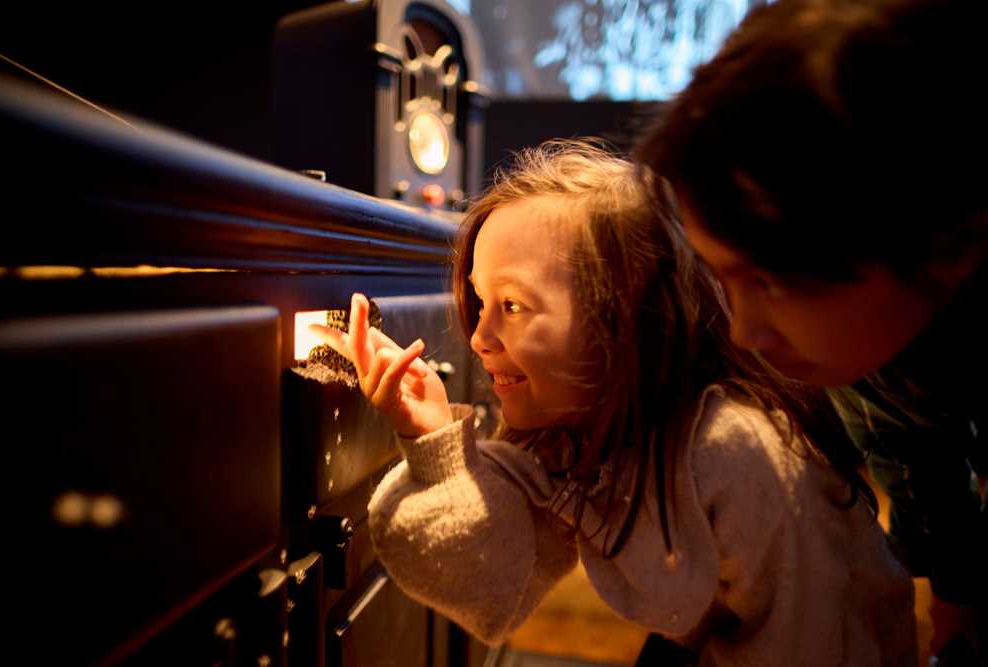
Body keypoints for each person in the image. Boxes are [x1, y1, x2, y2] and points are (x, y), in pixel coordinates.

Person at [313, 140, 917, 665]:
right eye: (480, 301)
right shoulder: (568, 426)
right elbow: (489, 580)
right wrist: (432, 439)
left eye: (514, 306)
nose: (478, 338)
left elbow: (824, 638)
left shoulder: (736, 449)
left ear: (623, 318)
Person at [634, 0, 987, 662]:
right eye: (722, 277)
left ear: (947, 234)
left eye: (770, 280)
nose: (743, 332)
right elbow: (911, 449)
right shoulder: (867, 349)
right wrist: (956, 590)